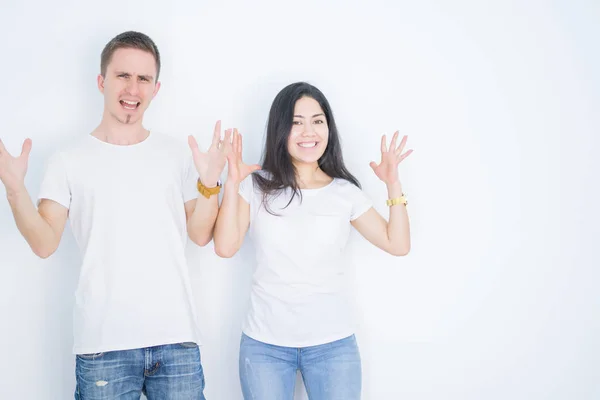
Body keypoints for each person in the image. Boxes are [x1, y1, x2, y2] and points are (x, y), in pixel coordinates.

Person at [0, 31, 227, 399]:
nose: (132, 89)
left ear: (156, 88)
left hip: (176, 341)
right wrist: (14, 189)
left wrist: (211, 182)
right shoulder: (68, 159)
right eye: (123, 76)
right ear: (102, 81)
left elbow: (200, 234)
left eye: (143, 79)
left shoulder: (178, 155)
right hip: (103, 346)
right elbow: (44, 243)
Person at [214, 81, 413, 399]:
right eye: (296, 122)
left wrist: (393, 184)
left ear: (328, 129)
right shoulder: (255, 185)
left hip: (333, 345)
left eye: (317, 121)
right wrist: (233, 183)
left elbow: (397, 243)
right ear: (280, 130)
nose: (309, 132)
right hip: (264, 345)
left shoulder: (344, 193)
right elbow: (225, 247)